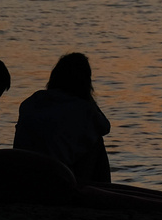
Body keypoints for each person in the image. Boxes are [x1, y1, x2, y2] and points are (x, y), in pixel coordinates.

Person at [13, 52, 112, 184]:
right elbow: (105, 127)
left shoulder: (32, 100)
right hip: (58, 178)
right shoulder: (84, 108)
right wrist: (89, 100)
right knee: (96, 140)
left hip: (21, 174)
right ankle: (102, 190)